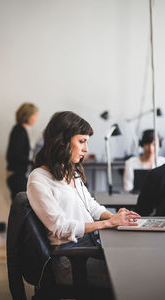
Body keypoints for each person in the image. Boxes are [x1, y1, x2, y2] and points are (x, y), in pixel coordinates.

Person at [26, 111, 140, 288]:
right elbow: (61, 228)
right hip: (74, 256)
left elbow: (91, 206)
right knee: (133, 276)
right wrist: (107, 224)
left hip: (92, 245)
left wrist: (114, 217)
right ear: (61, 141)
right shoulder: (38, 178)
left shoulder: (71, 171)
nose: (86, 149)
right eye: (81, 141)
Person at [6, 102, 38, 201]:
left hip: (20, 174)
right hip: (17, 175)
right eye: (35, 115)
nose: (36, 118)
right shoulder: (18, 131)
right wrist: (32, 161)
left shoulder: (23, 130)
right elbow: (16, 153)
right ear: (27, 116)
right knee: (20, 207)